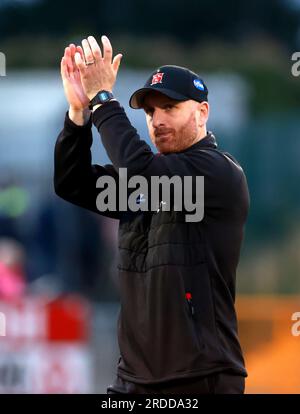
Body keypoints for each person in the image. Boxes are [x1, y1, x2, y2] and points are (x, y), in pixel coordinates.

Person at [54, 35, 250, 394]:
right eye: (150, 112)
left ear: (202, 112)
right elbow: (72, 182)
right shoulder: (145, 181)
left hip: (199, 380)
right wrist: (79, 115)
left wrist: (103, 100)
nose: (157, 120)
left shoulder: (218, 173)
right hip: (132, 382)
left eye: (170, 108)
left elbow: (141, 172)